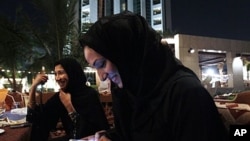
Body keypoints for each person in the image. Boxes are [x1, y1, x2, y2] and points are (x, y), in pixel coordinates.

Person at [79, 11, 229, 141]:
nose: (102, 76)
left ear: (127, 54)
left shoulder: (185, 94)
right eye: (95, 68)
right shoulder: (126, 91)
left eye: (102, 64)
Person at [26, 58, 110, 141]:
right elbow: (37, 119)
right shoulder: (60, 96)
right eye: (56, 74)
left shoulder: (89, 94)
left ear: (72, 73)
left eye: (61, 73)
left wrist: (69, 107)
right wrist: (33, 87)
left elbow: (90, 131)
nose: (57, 78)